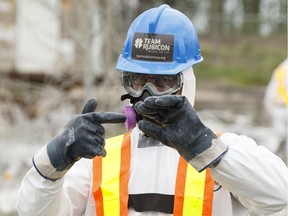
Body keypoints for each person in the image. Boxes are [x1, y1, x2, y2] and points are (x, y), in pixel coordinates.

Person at [17, 4, 287, 216]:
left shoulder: (221, 151)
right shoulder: (98, 159)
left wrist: (207, 149)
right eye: (137, 81)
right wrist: (51, 162)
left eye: (163, 82)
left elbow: (280, 199)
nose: (147, 94)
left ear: (186, 85)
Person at [264, 58, 288, 162]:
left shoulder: (282, 67)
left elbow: (270, 92)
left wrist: (270, 110)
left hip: (278, 109)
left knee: (277, 138)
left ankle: (270, 162)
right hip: (283, 109)